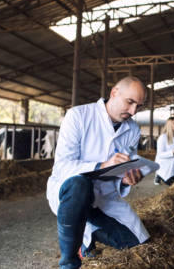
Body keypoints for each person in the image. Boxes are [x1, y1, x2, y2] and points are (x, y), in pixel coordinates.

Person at [46, 76, 149, 269]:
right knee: (79, 184)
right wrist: (101, 165)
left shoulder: (133, 130)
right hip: (71, 194)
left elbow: (122, 170)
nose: (133, 111)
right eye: (130, 102)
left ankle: (87, 233)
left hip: (104, 199)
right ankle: (69, 262)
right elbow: (63, 166)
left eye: (139, 106)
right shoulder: (78, 115)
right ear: (114, 93)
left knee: (138, 242)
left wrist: (127, 179)